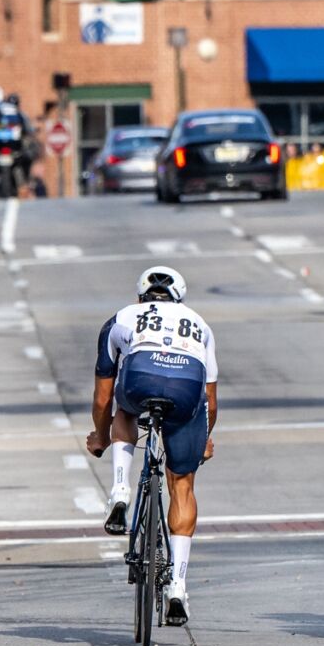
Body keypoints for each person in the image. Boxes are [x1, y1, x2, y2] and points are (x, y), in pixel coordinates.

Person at [90, 266, 218, 627]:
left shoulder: (121, 318)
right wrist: (203, 439)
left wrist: (100, 436)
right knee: (182, 484)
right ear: (179, 298)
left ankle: (120, 488)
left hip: (140, 378)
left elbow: (102, 397)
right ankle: (177, 585)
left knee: (123, 409)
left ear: (140, 297)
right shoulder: (199, 324)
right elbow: (210, 399)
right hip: (186, 387)